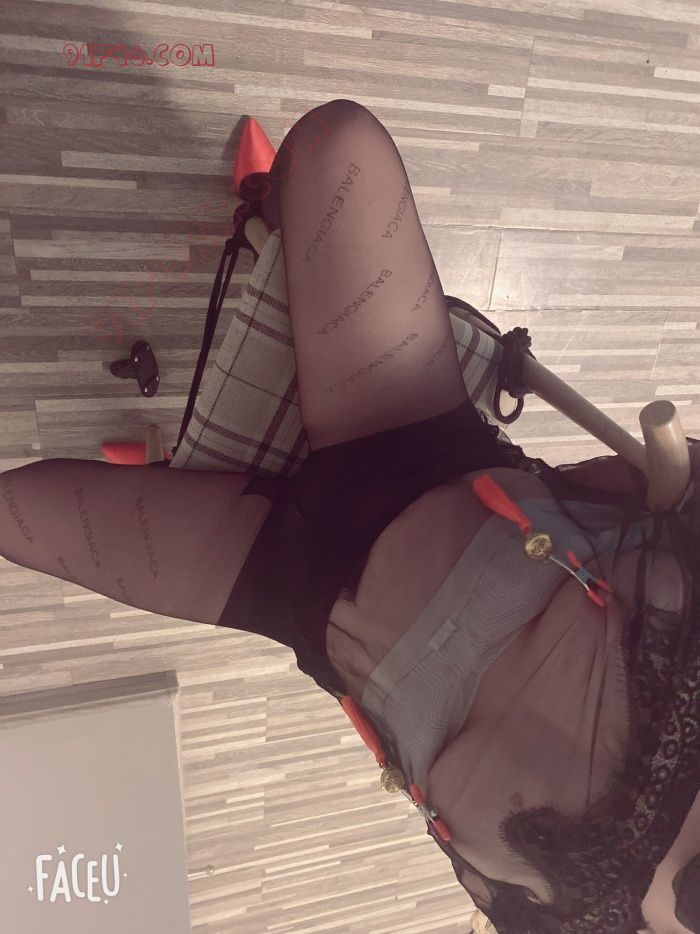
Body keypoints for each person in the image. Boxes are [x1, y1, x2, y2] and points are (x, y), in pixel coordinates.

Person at [1, 100, 698, 934]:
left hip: (296, 590)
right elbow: (630, 480)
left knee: (16, 514)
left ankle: (176, 465)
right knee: (340, 142)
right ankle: (268, 218)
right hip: (427, 454)